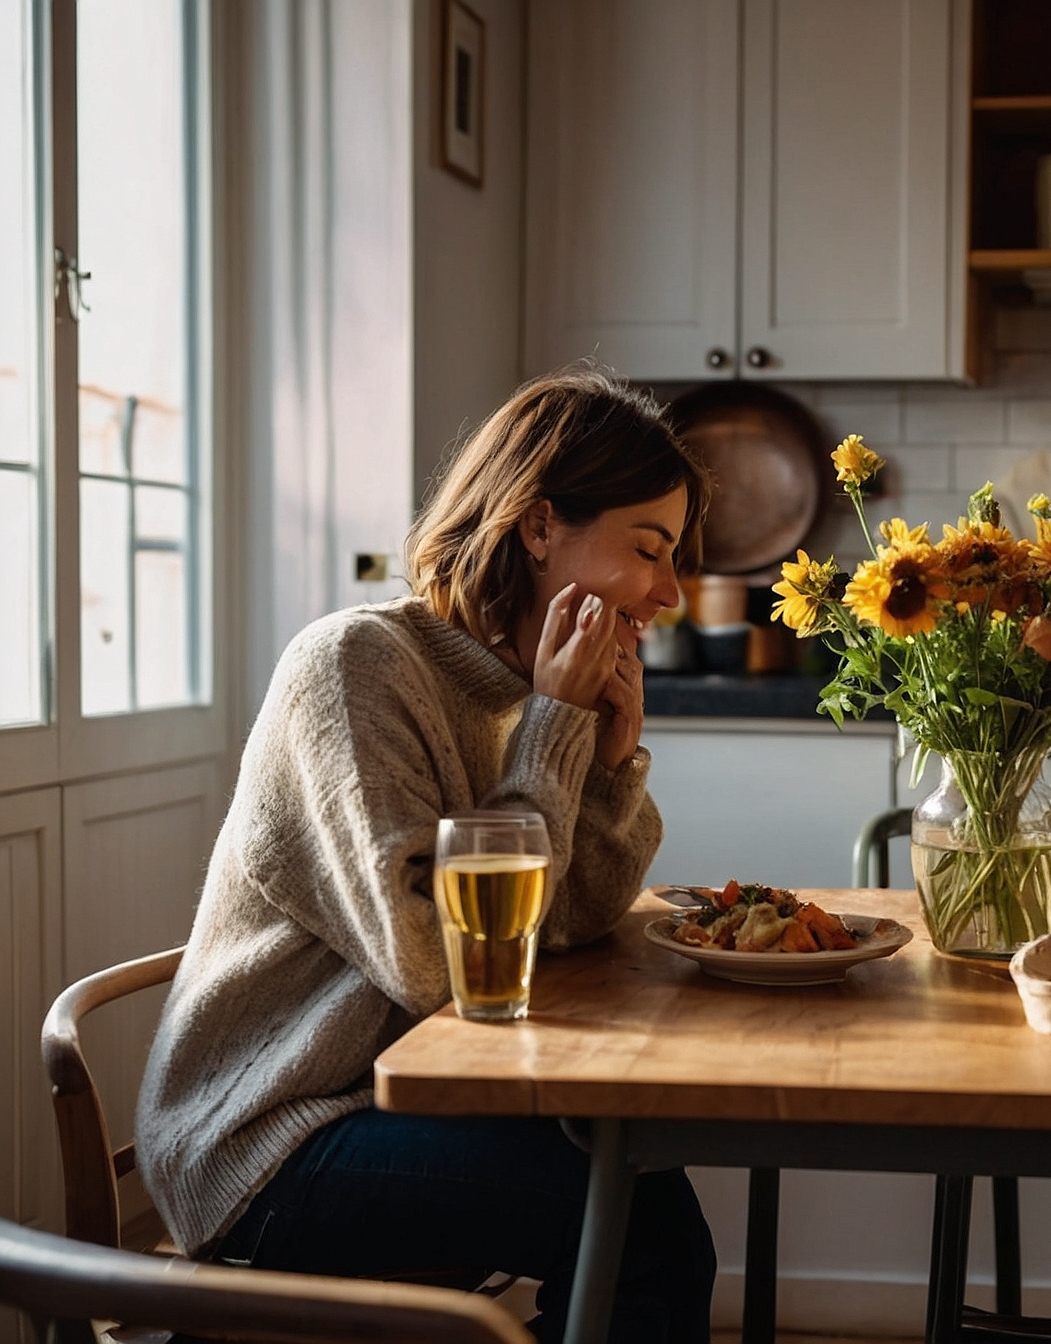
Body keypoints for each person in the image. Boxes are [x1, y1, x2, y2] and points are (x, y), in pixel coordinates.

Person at [135, 368, 717, 1343]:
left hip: (402, 1100)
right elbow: (429, 963)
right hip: (271, 1137)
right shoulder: (354, 668)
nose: (667, 592)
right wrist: (554, 729)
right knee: (640, 1225)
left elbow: (569, 927)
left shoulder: (519, 692)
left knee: (639, 1187)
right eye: (648, 549)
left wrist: (608, 769)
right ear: (540, 526)